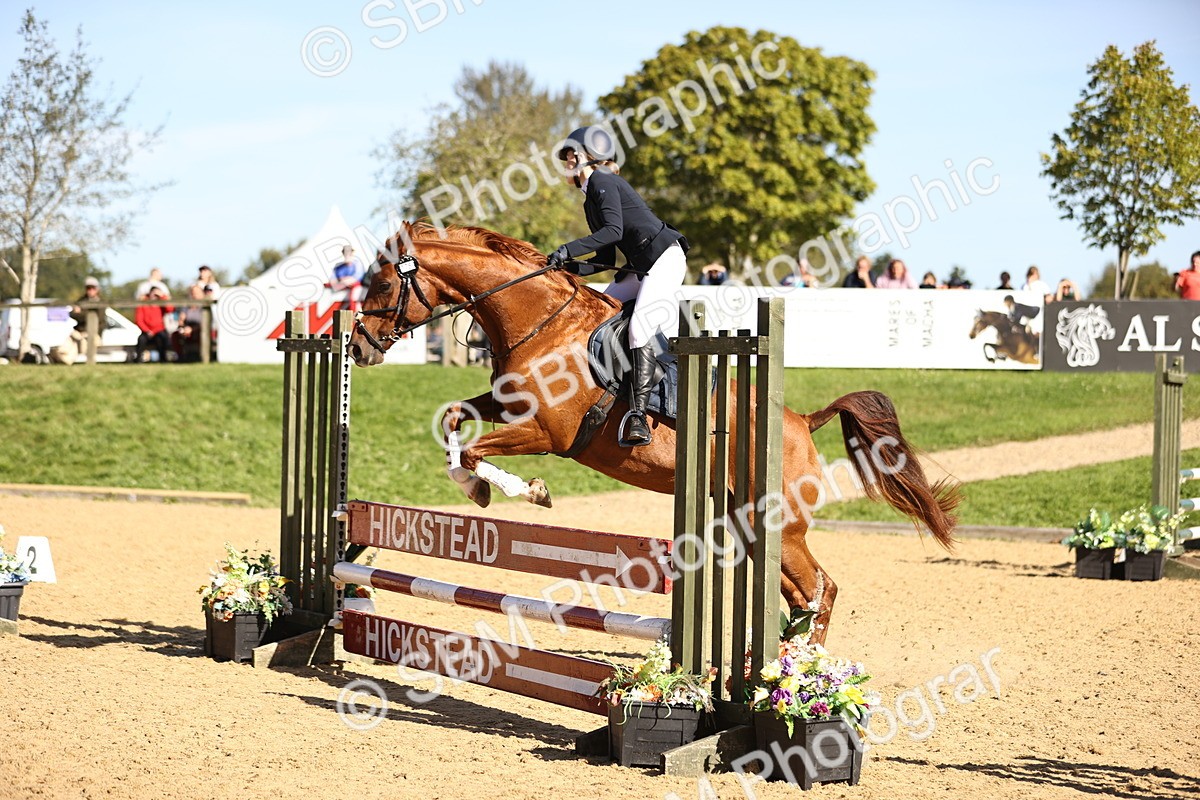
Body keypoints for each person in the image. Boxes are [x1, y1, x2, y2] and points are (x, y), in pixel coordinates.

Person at [547, 125, 689, 447]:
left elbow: (612, 231)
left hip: (664, 259)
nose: (566, 162)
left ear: (583, 155)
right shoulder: (590, 197)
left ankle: (638, 417)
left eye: (569, 155)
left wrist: (568, 248)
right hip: (640, 265)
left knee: (639, 329)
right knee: (599, 313)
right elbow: (606, 256)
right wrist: (564, 267)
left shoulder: (603, 181)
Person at [134, 284, 174, 362]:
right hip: (146, 331)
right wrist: (147, 330)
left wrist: (162, 296)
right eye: (154, 294)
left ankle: (163, 359)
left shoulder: (161, 304)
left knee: (162, 338)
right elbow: (139, 320)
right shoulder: (143, 304)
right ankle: (138, 360)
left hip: (159, 330)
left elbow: (170, 309)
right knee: (141, 339)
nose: (155, 296)